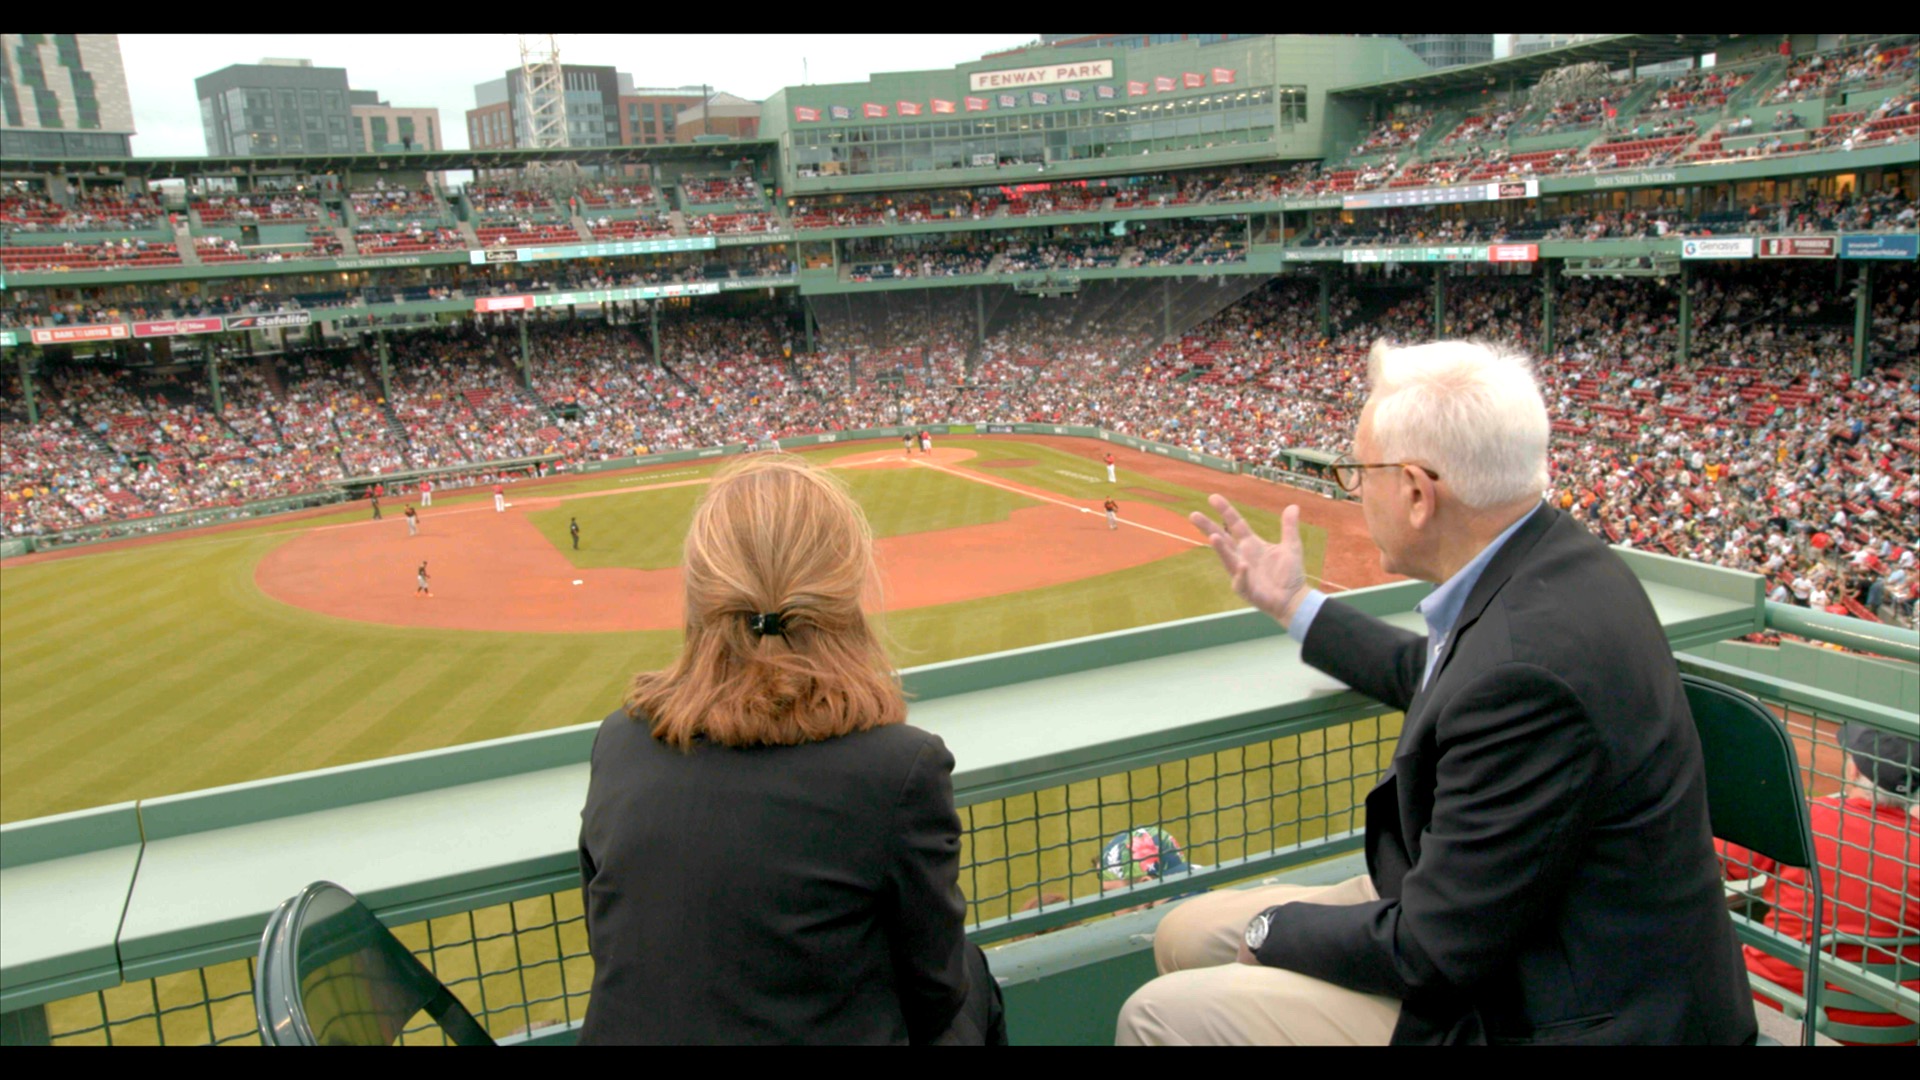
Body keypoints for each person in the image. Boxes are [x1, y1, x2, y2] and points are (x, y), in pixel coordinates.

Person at [1124, 340, 1754, 1045]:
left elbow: (1431, 950)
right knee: (1185, 931)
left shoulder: (1527, 670)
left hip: (1557, 1006)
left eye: (1358, 473)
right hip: (1515, 924)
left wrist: (1274, 930)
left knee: (1154, 1015)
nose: (1353, 490)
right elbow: (1439, 672)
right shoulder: (1554, 561)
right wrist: (1293, 603)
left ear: (1419, 494)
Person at [577, 455, 1005, 1045]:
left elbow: (613, 940)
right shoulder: (900, 768)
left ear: (703, 592)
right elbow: (936, 993)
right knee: (976, 976)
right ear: (843, 592)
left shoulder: (619, 742)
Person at [1720, 725, 1919, 1045]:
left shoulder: (1806, 815)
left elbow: (1723, 862)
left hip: (1777, 1010)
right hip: (1890, 1032)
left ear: (1853, 768)